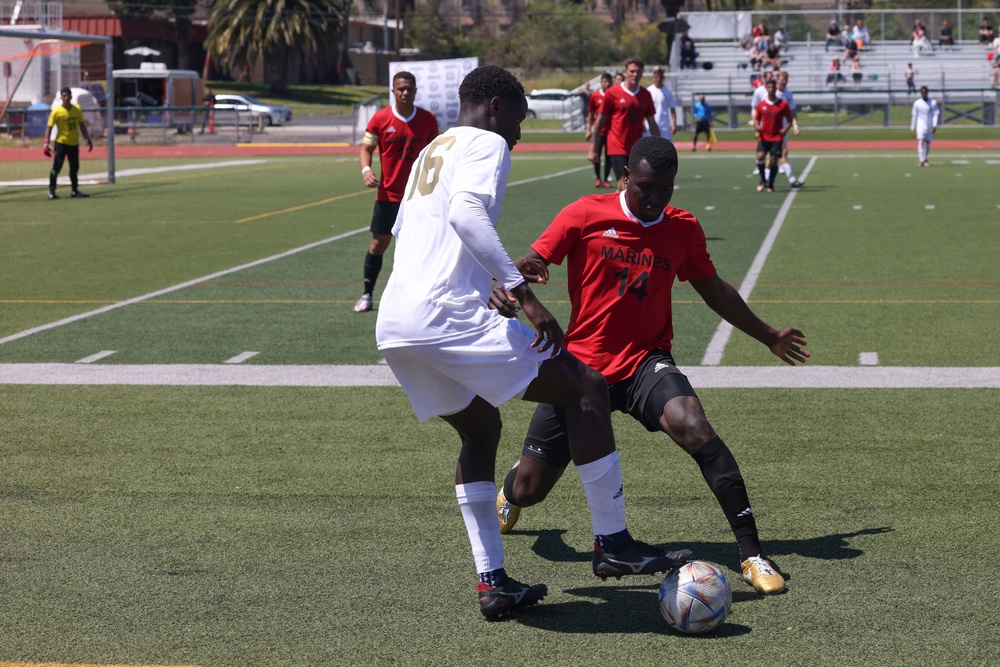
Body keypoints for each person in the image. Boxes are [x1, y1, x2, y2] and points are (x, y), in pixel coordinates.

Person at [374, 65, 691, 620]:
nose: (519, 134)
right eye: (519, 119)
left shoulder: (433, 148)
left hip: (397, 323)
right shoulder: (487, 143)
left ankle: (492, 581)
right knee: (587, 386)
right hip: (445, 315)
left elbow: (413, 232)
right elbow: (465, 214)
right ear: (496, 106)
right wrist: (524, 296)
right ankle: (613, 543)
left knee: (481, 427)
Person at [490, 136, 809, 596]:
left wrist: (769, 335)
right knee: (531, 489)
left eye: (665, 189)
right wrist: (511, 284)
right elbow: (531, 260)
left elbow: (714, 290)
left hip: (645, 361)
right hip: (580, 373)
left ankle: (752, 553)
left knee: (696, 426)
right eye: (645, 188)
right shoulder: (584, 213)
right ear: (624, 177)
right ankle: (510, 493)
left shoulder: (683, 229)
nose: (655, 199)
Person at [353, 71, 439, 313]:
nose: (405, 93)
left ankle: (420, 297)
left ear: (415, 91)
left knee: (421, 247)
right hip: (388, 196)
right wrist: (366, 170)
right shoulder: (380, 119)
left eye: (409, 89)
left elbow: (435, 155)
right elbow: (366, 148)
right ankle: (367, 294)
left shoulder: (428, 119)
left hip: (419, 196)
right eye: (400, 89)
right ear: (393, 91)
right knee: (378, 244)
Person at [588, 58, 659, 191]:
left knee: (628, 187)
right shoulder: (612, 93)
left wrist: (660, 146)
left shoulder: (645, 95)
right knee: (627, 183)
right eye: (632, 71)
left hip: (637, 148)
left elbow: (652, 123)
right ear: (626, 72)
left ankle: (614, 209)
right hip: (617, 147)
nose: (635, 74)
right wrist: (593, 148)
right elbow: (600, 121)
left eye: (638, 72)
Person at [44, 87, 93, 200]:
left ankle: (74, 191)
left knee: (74, 168)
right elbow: (49, 127)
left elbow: (81, 125)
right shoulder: (56, 112)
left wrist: (87, 138)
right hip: (61, 144)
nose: (66, 98)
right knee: (56, 167)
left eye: (67, 96)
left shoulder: (77, 109)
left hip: (74, 144)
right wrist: (46, 142)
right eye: (64, 96)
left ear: (71, 96)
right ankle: (52, 191)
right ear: (61, 97)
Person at [754, 78, 792, 193]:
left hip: (776, 137)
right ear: (766, 88)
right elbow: (756, 120)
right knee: (760, 157)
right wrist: (757, 127)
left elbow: (789, 119)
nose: (771, 89)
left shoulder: (782, 104)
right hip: (764, 137)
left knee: (773, 160)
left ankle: (771, 184)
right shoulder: (761, 105)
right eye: (769, 87)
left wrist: (785, 129)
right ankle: (763, 180)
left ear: (776, 88)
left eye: (773, 87)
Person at [775, 71, 803, 188]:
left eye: (786, 79)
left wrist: (795, 126)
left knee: (783, 153)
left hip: (783, 129)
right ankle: (765, 179)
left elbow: (792, 113)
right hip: (772, 129)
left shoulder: (788, 94)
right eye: (782, 79)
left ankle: (791, 179)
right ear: (777, 79)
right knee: (773, 157)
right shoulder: (772, 93)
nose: (784, 82)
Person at [586, 72, 614, 189]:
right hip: (599, 132)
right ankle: (598, 178)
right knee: (596, 154)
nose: (606, 84)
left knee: (609, 156)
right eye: (604, 81)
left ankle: (606, 178)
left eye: (608, 82)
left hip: (611, 131)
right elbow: (591, 114)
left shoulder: (613, 95)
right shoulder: (595, 96)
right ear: (601, 82)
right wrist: (589, 129)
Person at [910, 86, 939, 167]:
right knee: (921, 141)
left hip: (929, 125)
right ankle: (921, 160)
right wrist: (912, 128)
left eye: (925, 92)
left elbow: (936, 114)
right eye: (922, 92)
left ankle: (925, 159)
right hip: (920, 125)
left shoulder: (932, 103)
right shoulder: (917, 103)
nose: (924, 94)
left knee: (928, 142)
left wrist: (934, 125)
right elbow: (914, 116)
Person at [647, 68, 676, 142]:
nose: (658, 79)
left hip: (664, 126)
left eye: (660, 77)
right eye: (656, 77)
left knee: (664, 148)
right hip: (649, 125)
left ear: (663, 78)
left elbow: (673, 110)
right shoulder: (648, 91)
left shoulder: (668, 92)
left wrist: (674, 124)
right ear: (653, 77)